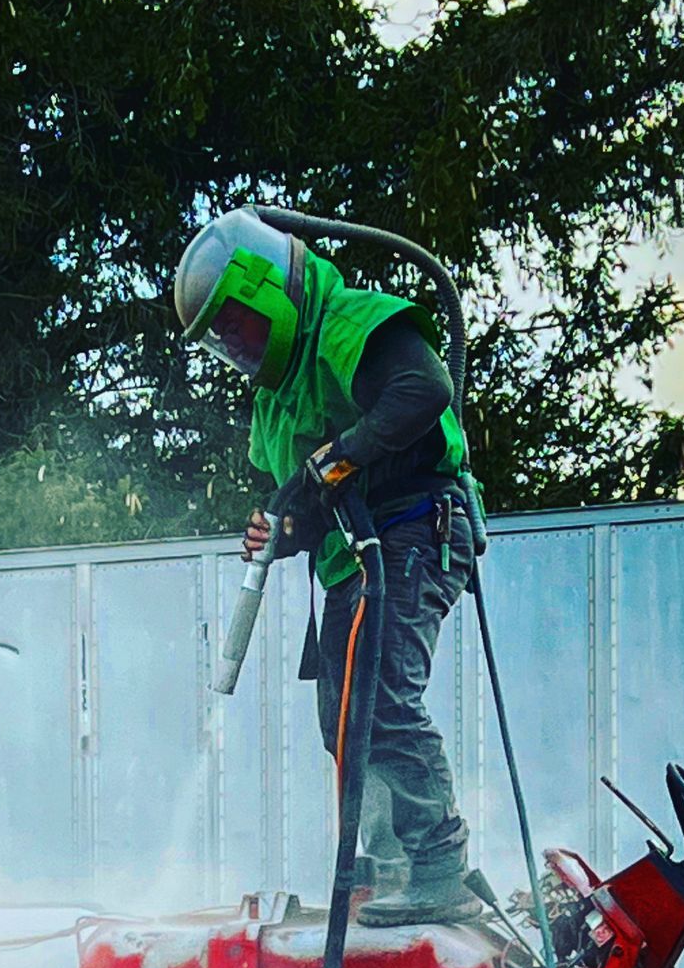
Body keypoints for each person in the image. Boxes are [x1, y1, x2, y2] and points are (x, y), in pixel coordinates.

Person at [174, 207, 480, 926]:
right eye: (219, 338)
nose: (232, 344)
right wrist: (281, 528)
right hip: (356, 555)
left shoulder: (345, 322)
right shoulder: (275, 399)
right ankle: (389, 867)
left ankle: (441, 865)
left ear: (265, 293)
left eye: (233, 323)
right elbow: (313, 499)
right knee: (340, 718)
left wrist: (331, 463)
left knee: (380, 702)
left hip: (414, 530)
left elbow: (423, 390)